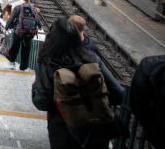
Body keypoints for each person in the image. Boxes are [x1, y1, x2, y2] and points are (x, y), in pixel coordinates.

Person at [32, 18, 125, 149]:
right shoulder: (92, 58)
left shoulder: (47, 63)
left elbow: (41, 102)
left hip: (63, 131)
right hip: (97, 130)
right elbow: (119, 93)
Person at [6, 0, 40, 71]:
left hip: (19, 31)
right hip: (29, 33)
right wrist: (39, 26)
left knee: (15, 47)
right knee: (26, 49)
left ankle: (12, 63)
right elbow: (37, 19)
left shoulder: (18, 7)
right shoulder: (34, 8)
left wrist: (6, 27)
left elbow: (11, 18)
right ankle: (23, 67)